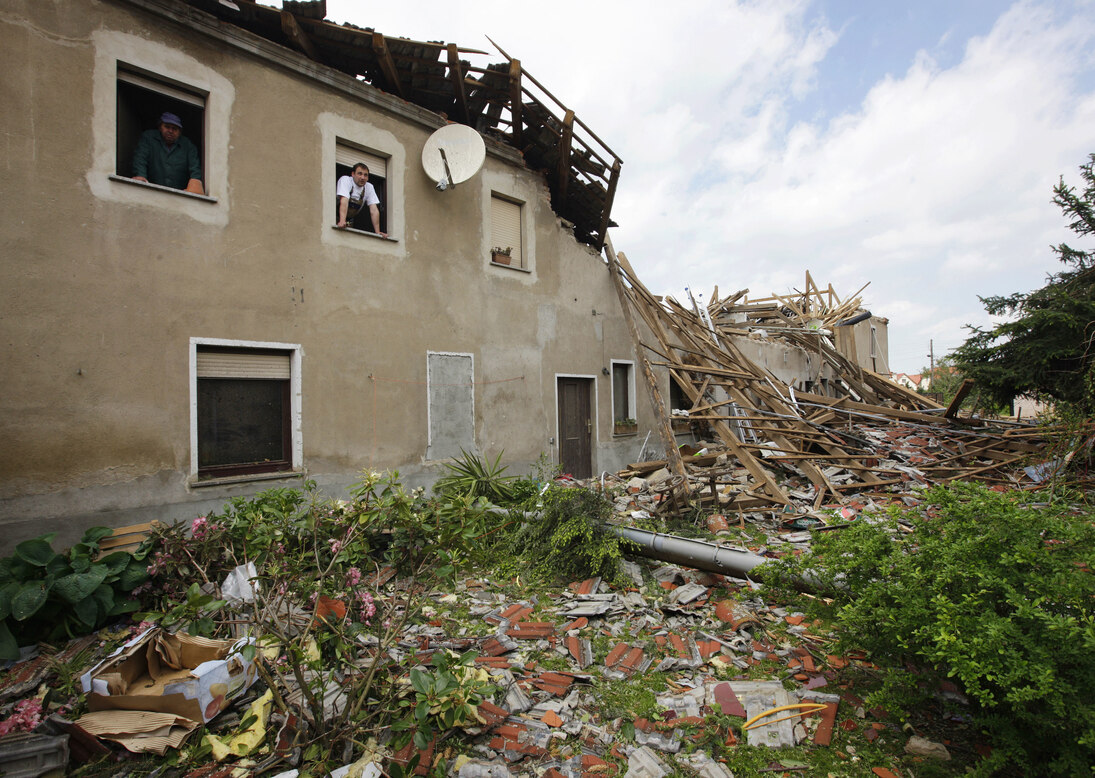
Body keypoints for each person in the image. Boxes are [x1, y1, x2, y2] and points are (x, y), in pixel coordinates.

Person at [132, 112, 203, 192]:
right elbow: (140, 159)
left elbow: (195, 170)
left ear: (180, 132)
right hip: (150, 190)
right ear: (160, 127)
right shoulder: (148, 138)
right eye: (167, 127)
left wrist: (194, 187)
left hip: (178, 194)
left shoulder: (188, 146)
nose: (170, 131)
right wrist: (140, 176)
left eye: (174, 129)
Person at [336, 163, 386, 236]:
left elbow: (374, 210)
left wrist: (377, 232)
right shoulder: (346, 180)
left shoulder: (369, 187)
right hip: (336, 216)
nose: (362, 177)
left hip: (349, 220)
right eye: (360, 174)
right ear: (353, 174)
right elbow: (344, 200)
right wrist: (342, 221)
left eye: (365, 175)